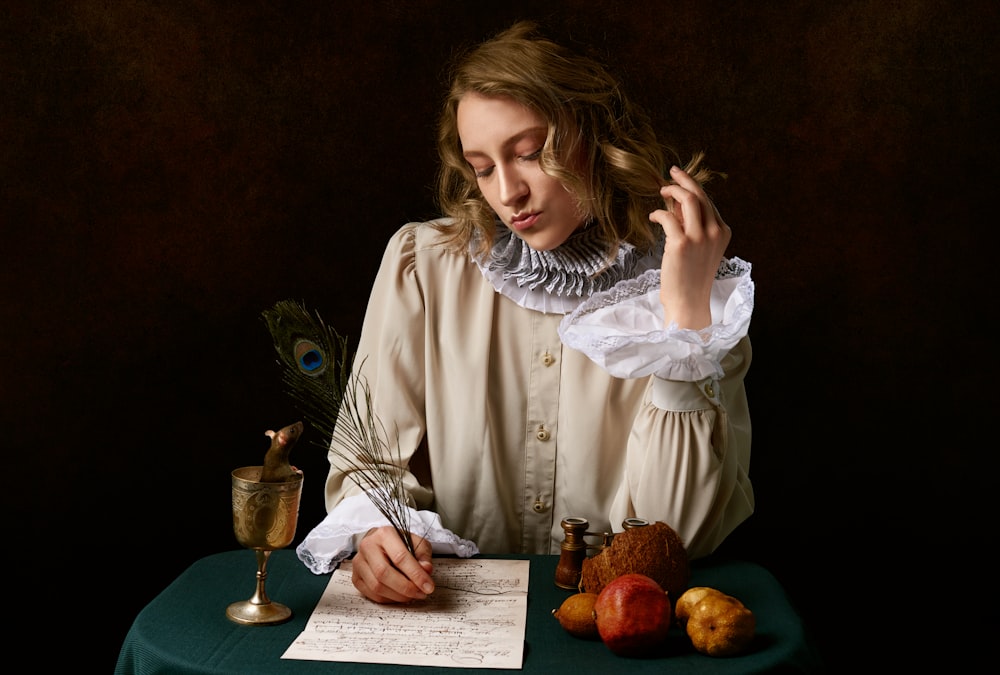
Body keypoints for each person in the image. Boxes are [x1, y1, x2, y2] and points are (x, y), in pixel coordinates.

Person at [296, 20, 754, 604]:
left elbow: (678, 537)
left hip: (616, 629)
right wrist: (377, 532)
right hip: (450, 615)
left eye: (531, 153)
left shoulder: (700, 294)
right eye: (483, 167)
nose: (508, 192)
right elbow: (368, 462)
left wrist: (685, 323)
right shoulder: (424, 263)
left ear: (595, 132)